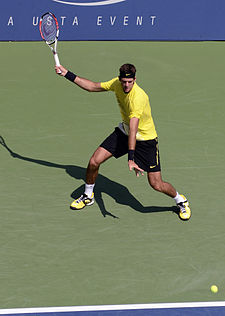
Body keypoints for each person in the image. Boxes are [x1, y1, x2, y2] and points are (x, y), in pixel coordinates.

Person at [55, 63, 191, 220]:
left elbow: (134, 130)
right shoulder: (116, 84)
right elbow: (92, 86)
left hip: (146, 141)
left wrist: (131, 158)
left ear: (135, 80)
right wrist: (67, 74)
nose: (126, 85)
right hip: (124, 132)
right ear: (120, 79)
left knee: (156, 184)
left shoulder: (138, 98)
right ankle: (88, 195)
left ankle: (180, 200)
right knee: (94, 162)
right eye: (123, 82)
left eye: (129, 82)